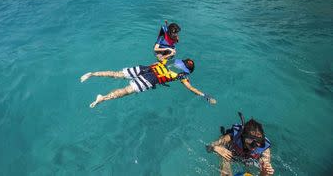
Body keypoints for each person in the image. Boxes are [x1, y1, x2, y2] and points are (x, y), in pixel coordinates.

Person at [80, 58, 216, 108]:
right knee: (126, 90)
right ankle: (102, 98)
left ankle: (92, 74)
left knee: (117, 74)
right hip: (149, 80)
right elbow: (191, 88)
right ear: (188, 71)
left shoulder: (172, 60)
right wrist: (206, 96)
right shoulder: (183, 76)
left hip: (145, 68)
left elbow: (158, 57)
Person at [206, 112, 274, 176]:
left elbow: (265, 168)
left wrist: (264, 173)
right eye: (251, 142)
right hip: (230, 154)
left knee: (261, 170)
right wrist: (215, 148)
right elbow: (208, 147)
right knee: (225, 162)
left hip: (248, 160)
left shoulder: (264, 149)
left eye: (259, 142)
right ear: (243, 136)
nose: (255, 146)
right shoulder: (232, 137)